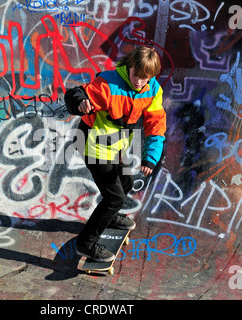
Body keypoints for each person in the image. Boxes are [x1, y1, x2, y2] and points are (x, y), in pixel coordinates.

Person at [64, 46, 166, 262]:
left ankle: (109, 218)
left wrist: (151, 157)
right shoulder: (109, 84)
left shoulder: (153, 89)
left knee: (127, 180)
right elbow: (77, 94)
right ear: (129, 67)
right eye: (136, 76)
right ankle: (86, 243)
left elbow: (156, 124)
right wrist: (80, 103)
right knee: (114, 197)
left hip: (116, 147)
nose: (139, 82)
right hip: (92, 144)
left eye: (144, 78)